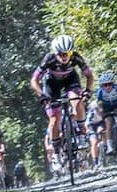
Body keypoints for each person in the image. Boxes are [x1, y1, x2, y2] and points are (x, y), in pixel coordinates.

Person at [30, 34, 90, 167]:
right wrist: (41, 95)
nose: (64, 56)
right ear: (55, 53)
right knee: (55, 118)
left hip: (70, 80)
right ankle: (56, 153)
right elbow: (34, 80)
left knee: (77, 101)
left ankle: (80, 132)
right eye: (61, 54)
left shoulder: (75, 57)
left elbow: (89, 75)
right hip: (51, 84)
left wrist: (88, 91)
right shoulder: (49, 59)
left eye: (67, 53)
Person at [90, 73, 117, 164]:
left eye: (110, 84)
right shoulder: (100, 92)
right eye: (105, 85)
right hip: (106, 108)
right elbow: (99, 103)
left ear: (113, 84)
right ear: (102, 86)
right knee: (108, 122)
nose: (108, 87)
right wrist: (101, 110)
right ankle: (109, 145)